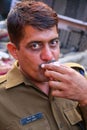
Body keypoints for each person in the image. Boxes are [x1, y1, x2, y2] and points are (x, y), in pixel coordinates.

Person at [0, 1, 87, 130]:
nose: (48, 56)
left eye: (53, 42)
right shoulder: (3, 99)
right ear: (14, 51)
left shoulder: (78, 77)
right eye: (35, 45)